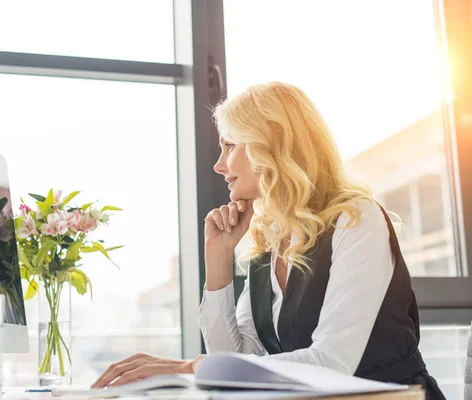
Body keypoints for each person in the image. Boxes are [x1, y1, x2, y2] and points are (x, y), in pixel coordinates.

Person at [91, 82, 445, 400]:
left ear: (270, 146)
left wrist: (187, 367)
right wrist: (218, 261)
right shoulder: (269, 242)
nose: (218, 164)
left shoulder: (356, 217)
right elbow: (233, 359)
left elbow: (332, 363)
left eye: (229, 145)